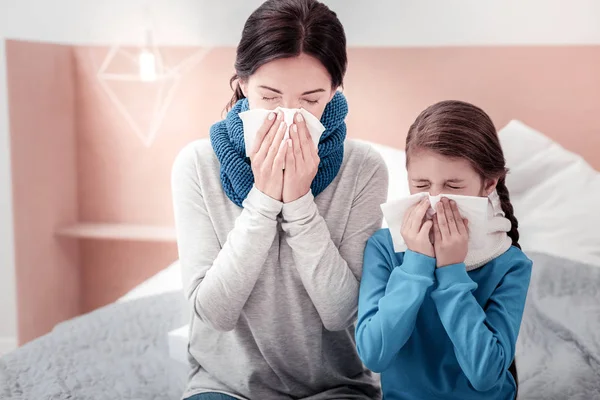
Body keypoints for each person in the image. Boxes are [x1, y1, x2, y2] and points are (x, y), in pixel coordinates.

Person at [171, 0, 388, 399]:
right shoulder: (197, 165)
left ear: (335, 92)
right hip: (225, 386)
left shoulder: (363, 168)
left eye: (310, 100)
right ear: (241, 84)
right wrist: (266, 198)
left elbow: (343, 313)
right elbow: (214, 313)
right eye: (270, 96)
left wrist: (300, 202)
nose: (289, 115)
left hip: (336, 387)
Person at [355, 100, 532, 400]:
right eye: (422, 184)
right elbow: (374, 356)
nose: (434, 200)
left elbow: (486, 374)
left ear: (488, 183)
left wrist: (451, 273)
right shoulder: (384, 249)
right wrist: (416, 264)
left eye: (453, 186)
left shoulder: (509, 263)